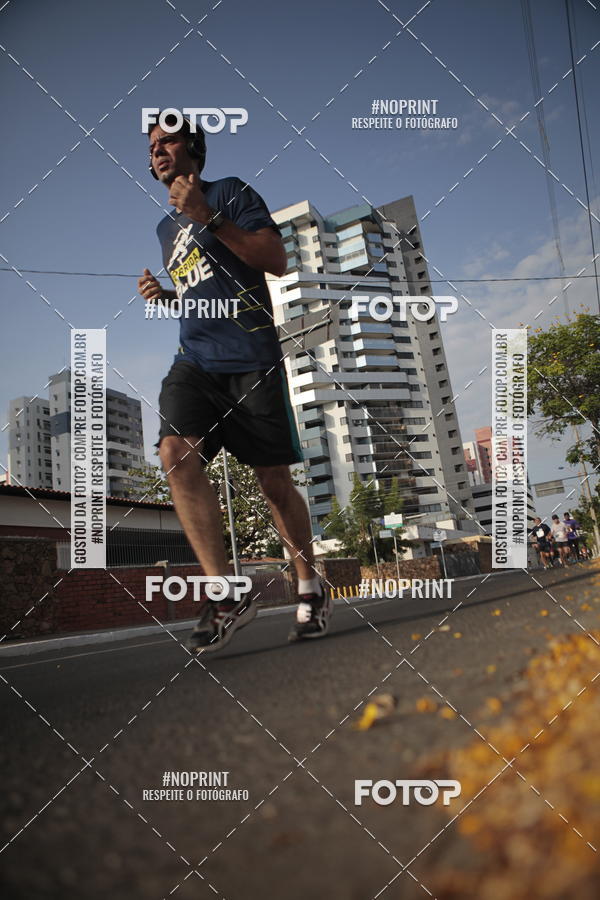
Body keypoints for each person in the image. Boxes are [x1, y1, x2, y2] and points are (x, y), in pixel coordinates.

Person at [138, 113, 333, 652]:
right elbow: (207, 291)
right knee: (175, 451)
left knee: (273, 483)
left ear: (193, 146)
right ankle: (226, 592)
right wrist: (169, 298)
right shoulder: (164, 229)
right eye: (151, 145)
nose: (157, 151)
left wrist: (209, 215)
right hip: (195, 361)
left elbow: (273, 259)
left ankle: (310, 586)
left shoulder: (231, 192)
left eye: (167, 141)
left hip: (251, 357)